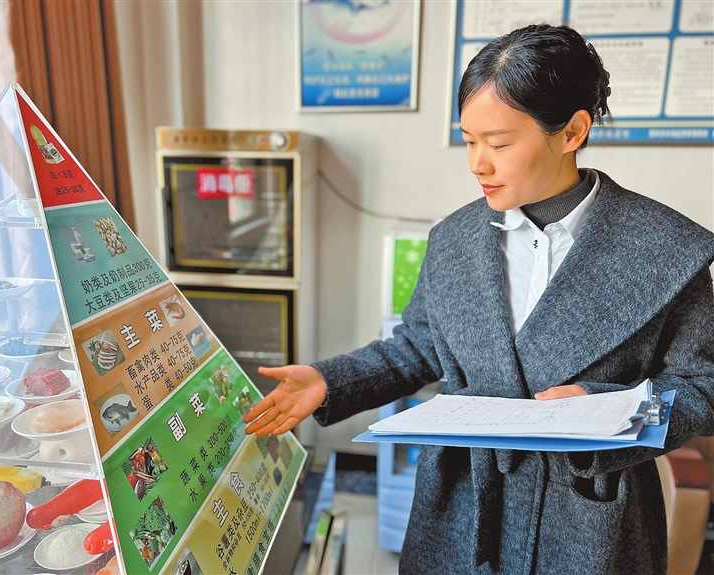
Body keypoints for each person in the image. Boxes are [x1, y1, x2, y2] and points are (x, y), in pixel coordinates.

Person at [245, 23, 714, 574]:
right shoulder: (455, 239)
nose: (477, 164)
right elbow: (419, 345)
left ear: (572, 131)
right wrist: (331, 381)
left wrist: (603, 408)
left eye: (499, 143)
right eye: (469, 141)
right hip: (459, 509)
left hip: (591, 522)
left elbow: (702, 386)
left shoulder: (667, 248)